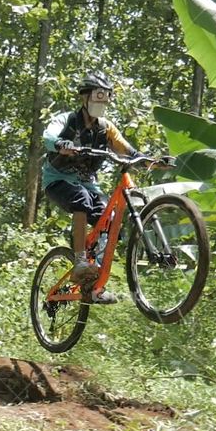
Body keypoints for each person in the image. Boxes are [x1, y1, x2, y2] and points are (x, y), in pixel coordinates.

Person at [41, 71, 140, 305]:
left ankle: (95, 285)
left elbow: (127, 150)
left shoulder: (106, 128)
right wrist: (60, 144)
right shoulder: (67, 120)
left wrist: (150, 160)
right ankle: (79, 261)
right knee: (81, 199)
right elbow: (48, 136)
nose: (101, 102)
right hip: (58, 181)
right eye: (97, 96)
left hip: (88, 185)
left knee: (111, 221)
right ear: (85, 97)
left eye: (105, 98)